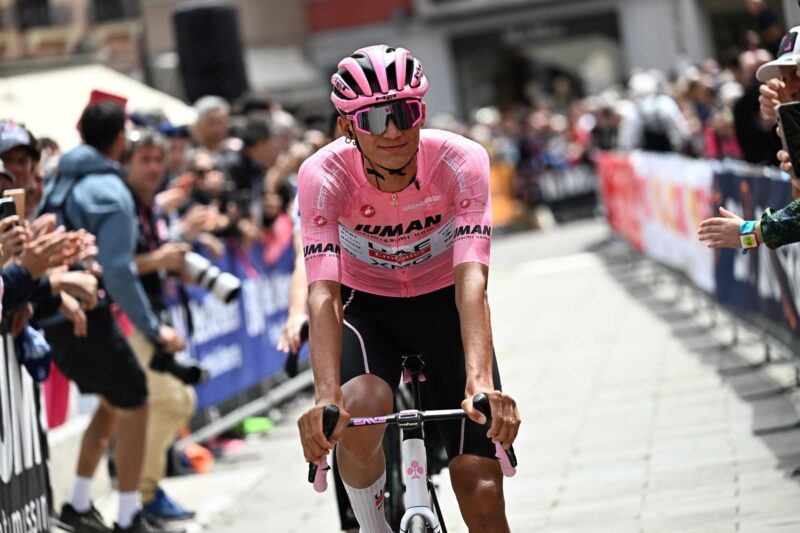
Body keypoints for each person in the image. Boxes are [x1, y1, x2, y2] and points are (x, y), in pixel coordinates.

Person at [296, 45, 521, 532]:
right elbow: (324, 292)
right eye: (374, 119)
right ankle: (373, 526)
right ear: (347, 127)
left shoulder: (461, 161)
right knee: (359, 406)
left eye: (405, 112)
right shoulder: (324, 175)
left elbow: (471, 279)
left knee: (479, 485)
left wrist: (480, 383)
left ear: (421, 112)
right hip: (367, 309)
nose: (393, 131)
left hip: (444, 304)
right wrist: (325, 394)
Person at [40, 101, 183, 533]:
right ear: (121, 138)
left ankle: (79, 505)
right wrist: (154, 329)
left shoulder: (58, 181)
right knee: (135, 399)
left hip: (51, 311)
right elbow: (119, 272)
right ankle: (128, 516)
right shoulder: (111, 191)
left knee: (110, 403)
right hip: (86, 314)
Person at [123, 129, 197, 522]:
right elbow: (114, 267)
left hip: (149, 316)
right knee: (170, 402)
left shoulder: (148, 205)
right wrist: (158, 260)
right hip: (129, 319)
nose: (153, 168)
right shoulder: (121, 205)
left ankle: (140, 492)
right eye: (144, 160)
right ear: (125, 163)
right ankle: (139, 494)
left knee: (179, 401)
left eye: (158, 160)